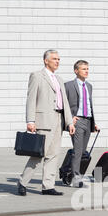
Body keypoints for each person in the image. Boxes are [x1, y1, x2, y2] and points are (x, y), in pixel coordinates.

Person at [18, 50, 74, 196]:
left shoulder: (59, 79)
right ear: (46, 60)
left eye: (59, 59)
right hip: (43, 121)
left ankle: (48, 186)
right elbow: (31, 99)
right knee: (38, 154)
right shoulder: (37, 76)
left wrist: (69, 122)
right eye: (54, 59)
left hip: (58, 120)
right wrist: (30, 120)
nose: (57, 61)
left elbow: (65, 103)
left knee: (54, 154)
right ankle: (23, 182)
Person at [65, 60, 99, 188]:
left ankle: (69, 173)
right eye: (84, 69)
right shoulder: (68, 85)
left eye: (87, 69)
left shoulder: (89, 86)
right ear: (76, 71)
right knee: (78, 151)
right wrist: (69, 119)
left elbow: (89, 105)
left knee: (82, 151)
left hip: (88, 121)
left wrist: (93, 122)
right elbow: (65, 104)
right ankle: (75, 178)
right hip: (77, 121)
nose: (86, 71)